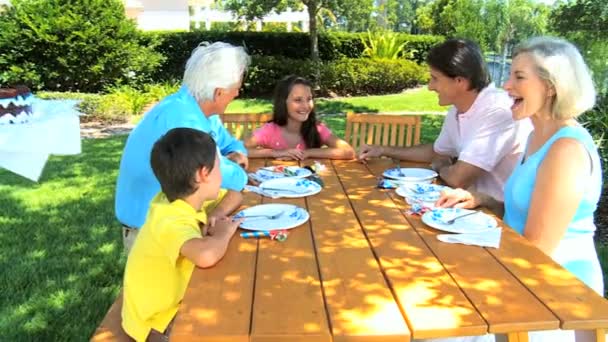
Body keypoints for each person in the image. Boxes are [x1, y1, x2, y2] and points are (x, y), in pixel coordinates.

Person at [436, 37, 603, 341]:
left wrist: (468, 269)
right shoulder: (535, 138)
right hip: (521, 280)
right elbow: (520, 214)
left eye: (519, 77)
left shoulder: (565, 150)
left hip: (559, 302)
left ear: (551, 86)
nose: (506, 85)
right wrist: (481, 198)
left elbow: (536, 253)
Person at [358, 39, 531, 201]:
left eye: (435, 78)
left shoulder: (498, 110)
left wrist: (441, 167)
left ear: (459, 81)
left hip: (501, 220)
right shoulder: (457, 109)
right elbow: (437, 153)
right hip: (470, 207)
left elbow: (458, 179)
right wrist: (383, 150)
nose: (430, 86)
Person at [115, 42, 250, 248]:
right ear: (219, 93)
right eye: (236, 88)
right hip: (151, 232)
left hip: (176, 222)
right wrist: (238, 169)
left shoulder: (198, 105)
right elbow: (225, 176)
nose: (237, 94)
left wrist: (236, 153)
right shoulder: (182, 118)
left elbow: (230, 144)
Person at [121, 128, 243, 342]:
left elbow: (235, 194)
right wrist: (223, 234)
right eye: (219, 166)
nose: (222, 174)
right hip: (155, 323)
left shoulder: (183, 197)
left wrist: (217, 214)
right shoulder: (169, 218)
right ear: (203, 174)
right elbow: (205, 256)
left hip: (166, 306)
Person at [245, 75, 355, 160]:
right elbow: (236, 150)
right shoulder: (269, 131)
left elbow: (348, 151)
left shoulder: (317, 129)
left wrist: (307, 153)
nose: (306, 106)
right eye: (298, 100)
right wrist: (274, 153)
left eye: (309, 99)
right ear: (283, 102)